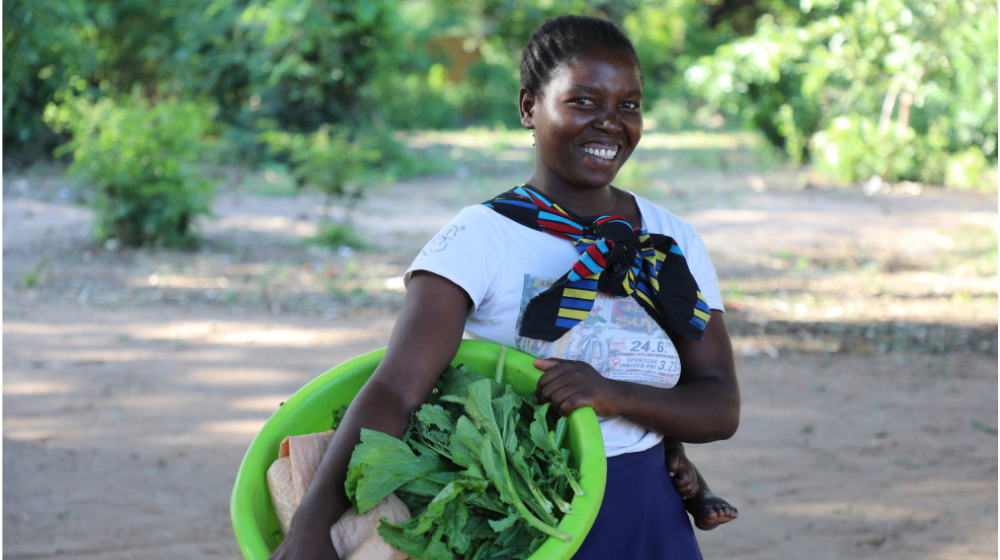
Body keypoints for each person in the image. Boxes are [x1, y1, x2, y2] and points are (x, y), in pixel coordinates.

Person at [270, 15, 740, 560]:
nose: (610, 124)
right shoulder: (481, 238)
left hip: (647, 512)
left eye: (627, 105)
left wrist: (613, 395)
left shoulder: (671, 240)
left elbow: (719, 404)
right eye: (584, 102)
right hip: (514, 517)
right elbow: (397, 389)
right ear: (527, 108)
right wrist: (310, 527)